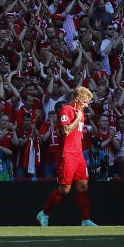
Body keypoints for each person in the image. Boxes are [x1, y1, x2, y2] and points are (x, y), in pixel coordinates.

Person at [38, 86, 98, 227]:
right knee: (65, 189)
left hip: (79, 154)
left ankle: (85, 220)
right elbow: (65, 131)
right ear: (77, 100)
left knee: (83, 186)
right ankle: (44, 213)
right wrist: (77, 119)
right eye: (85, 102)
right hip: (67, 154)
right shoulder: (66, 110)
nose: (87, 105)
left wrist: (79, 117)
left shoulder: (81, 113)